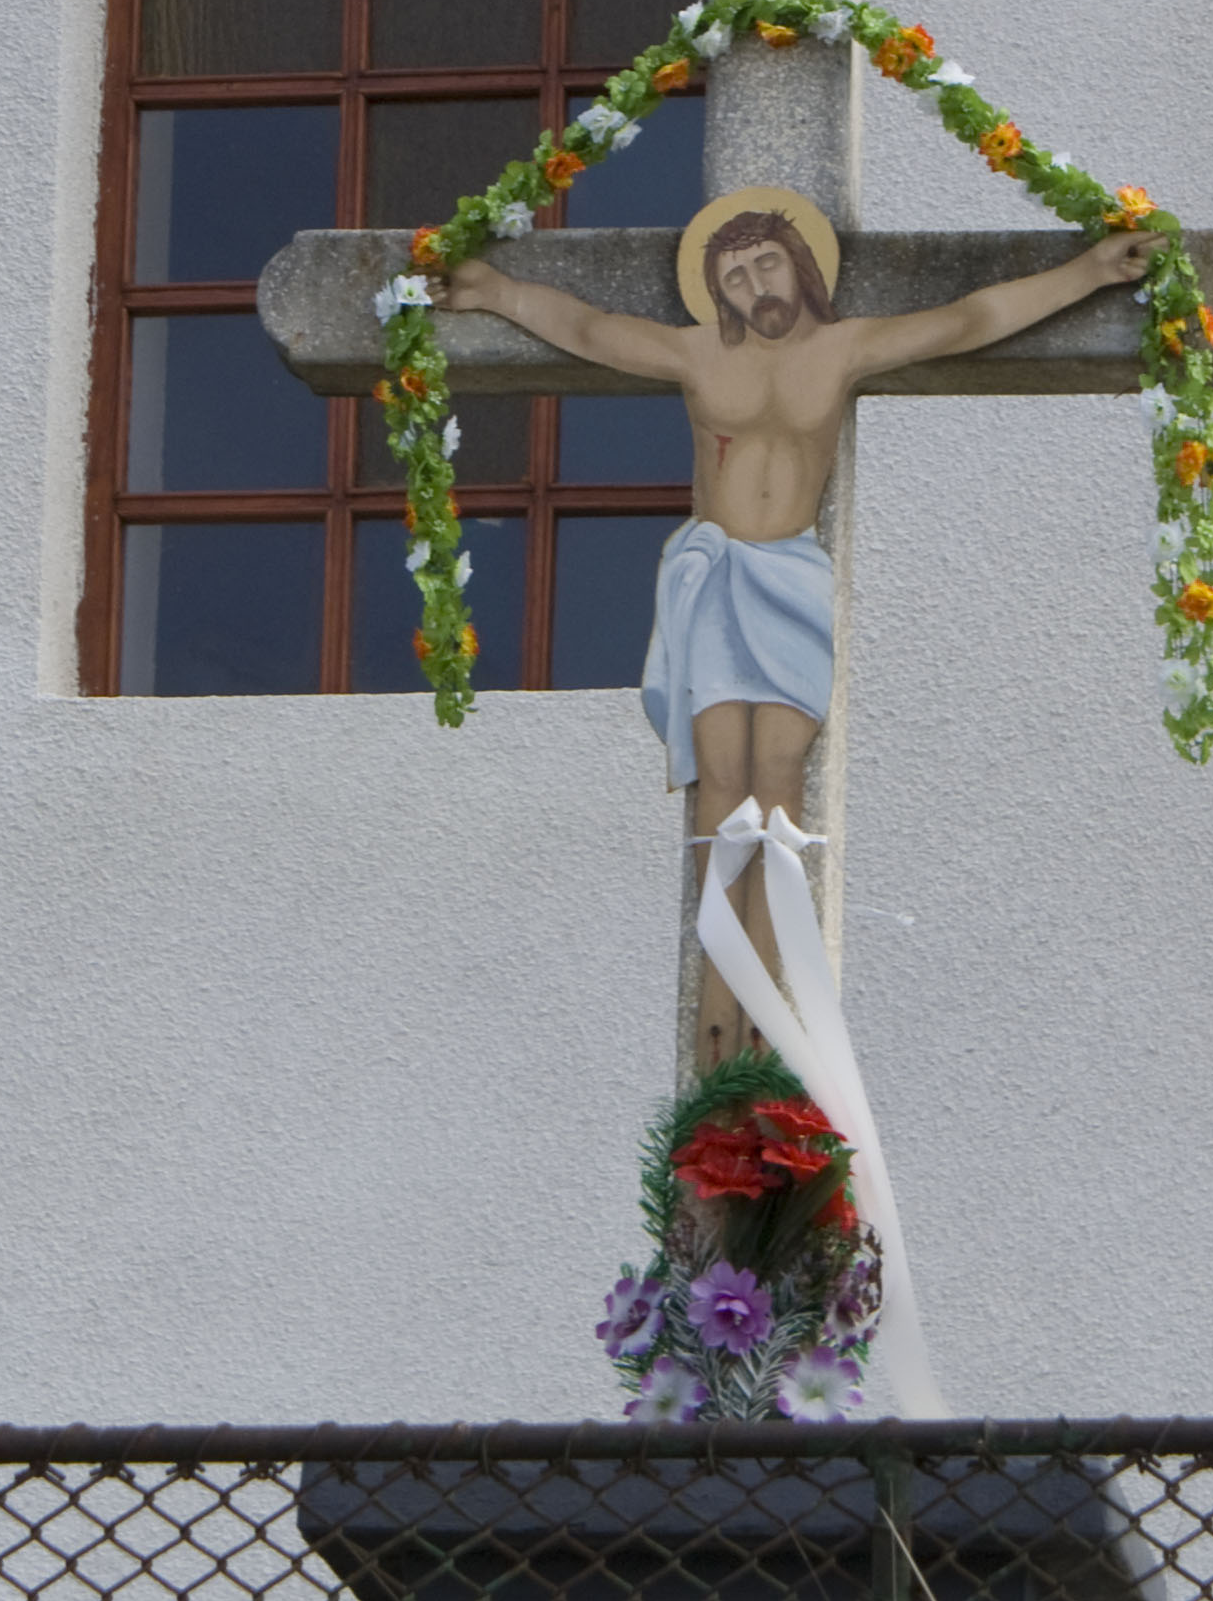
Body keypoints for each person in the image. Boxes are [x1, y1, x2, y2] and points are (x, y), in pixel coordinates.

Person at [436, 192, 1151, 1067]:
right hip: (716, 577)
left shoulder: (845, 348)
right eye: (733, 277)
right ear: (716, 292)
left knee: (778, 778)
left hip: (790, 577)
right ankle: (717, 997)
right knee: (720, 779)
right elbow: (587, 330)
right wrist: (494, 292)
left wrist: (1089, 272)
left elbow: (973, 319)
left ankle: (767, 993)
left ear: (801, 266)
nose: (754, 286)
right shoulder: (696, 354)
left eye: (766, 263)